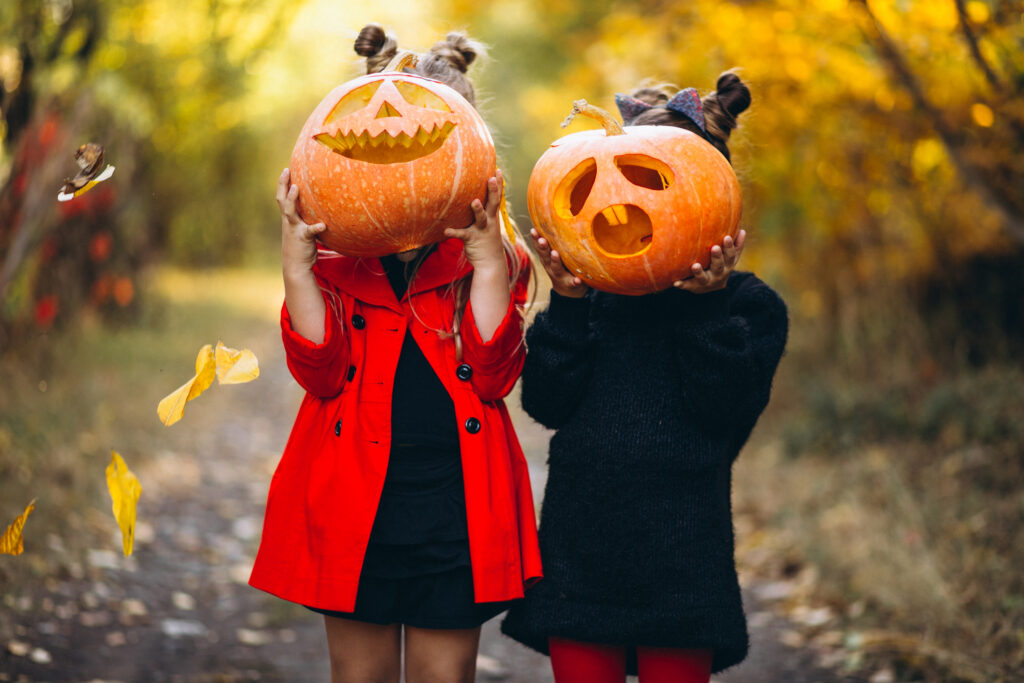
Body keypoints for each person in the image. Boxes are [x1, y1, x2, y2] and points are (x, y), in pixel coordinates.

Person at [248, 24, 541, 683]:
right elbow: (319, 375)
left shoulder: (488, 260)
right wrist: (298, 269)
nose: (405, 175)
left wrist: (489, 261)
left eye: (426, 153)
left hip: (456, 512)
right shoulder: (335, 260)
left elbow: (494, 376)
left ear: (469, 158)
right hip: (356, 507)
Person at [501, 72, 789, 683]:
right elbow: (547, 402)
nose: (627, 207)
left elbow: (723, 409)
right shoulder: (594, 294)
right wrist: (570, 303)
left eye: (655, 183)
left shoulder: (747, 306)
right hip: (581, 551)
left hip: (683, 561)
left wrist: (703, 306)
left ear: (712, 194)